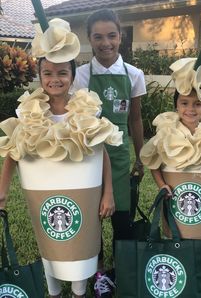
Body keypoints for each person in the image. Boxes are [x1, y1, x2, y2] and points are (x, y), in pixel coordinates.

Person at [0, 18, 123, 298]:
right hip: (42, 192)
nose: (55, 79)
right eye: (47, 73)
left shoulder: (87, 109)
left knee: (79, 242)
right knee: (50, 241)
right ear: (39, 75)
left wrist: (108, 193)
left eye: (62, 73)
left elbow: (101, 151)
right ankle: (54, 292)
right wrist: (3, 189)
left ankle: (79, 292)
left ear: (73, 74)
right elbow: (13, 151)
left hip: (83, 191)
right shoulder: (28, 112)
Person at [140, 58, 201, 284]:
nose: (190, 109)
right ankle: (177, 279)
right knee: (174, 240)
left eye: (197, 104)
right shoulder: (167, 133)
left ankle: (198, 282)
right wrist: (161, 184)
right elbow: (154, 163)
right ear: (176, 105)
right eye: (184, 103)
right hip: (175, 206)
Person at [73, 8, 146, 297]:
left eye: (112, 35)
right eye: (98, 37)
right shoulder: (80, 75)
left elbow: (136, 119)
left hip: (118, 156)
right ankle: (100, 272)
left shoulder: (134, 74)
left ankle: (122, 270)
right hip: (89, 155)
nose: (106, 43)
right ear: (89, 39)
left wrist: (141, 157)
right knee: (92, 221)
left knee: (122, 221)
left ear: (121, 36)